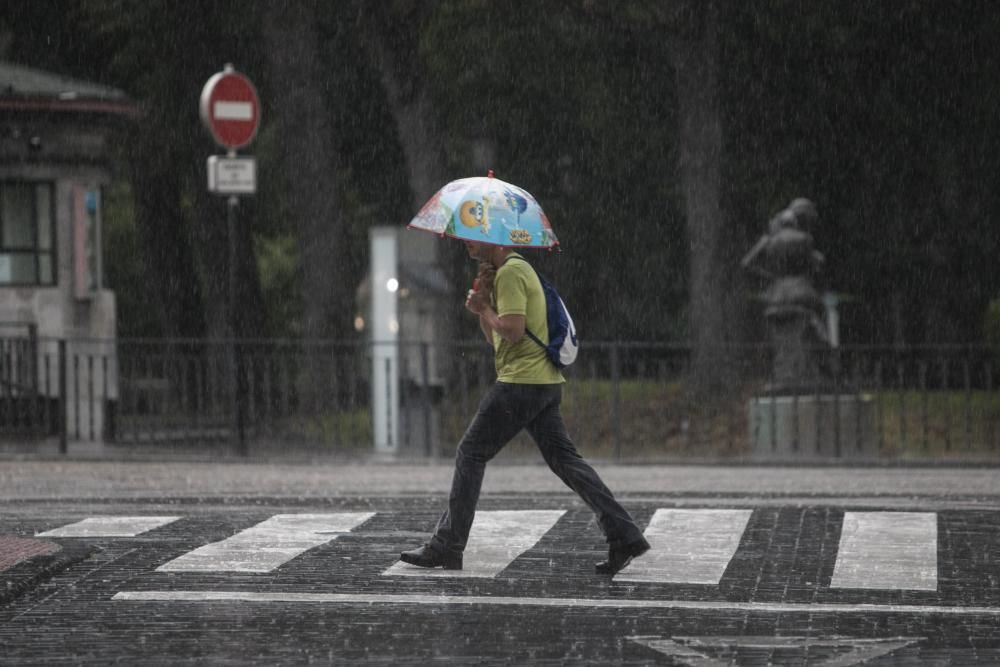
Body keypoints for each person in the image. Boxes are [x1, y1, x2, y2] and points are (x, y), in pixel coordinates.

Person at [399, 239, 650, 574]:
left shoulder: (512, 272)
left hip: (522, 383)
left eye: (473, 237)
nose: (465, 243)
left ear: (493, 240)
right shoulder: (507, 271)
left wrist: (483, 309)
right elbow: (497, 340)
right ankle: (624, 535)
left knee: (470, 453)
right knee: (566, 462)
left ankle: (447, 545)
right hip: (542, 383)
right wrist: (485, 307)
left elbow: (515, 332)